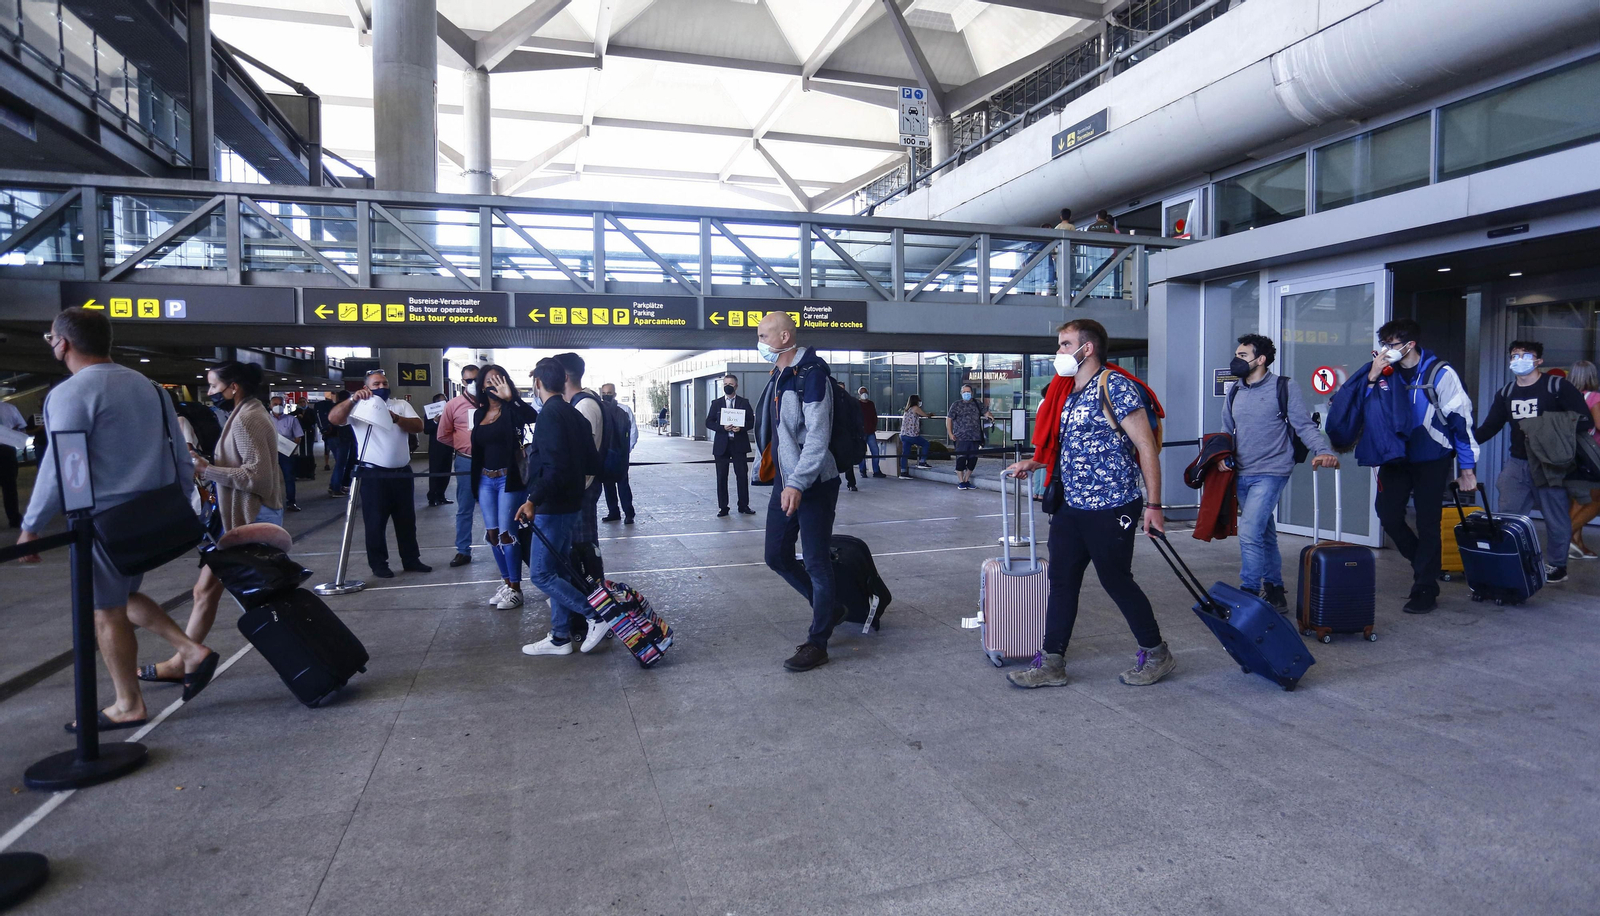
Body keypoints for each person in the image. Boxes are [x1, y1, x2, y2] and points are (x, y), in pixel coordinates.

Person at [16, 308, 219, 729]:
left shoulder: (70, 394)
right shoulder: (150, 388)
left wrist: (32, 525)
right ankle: (189, 650)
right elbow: (179, 454)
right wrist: (180, 501)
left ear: (63, 343)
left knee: (104, 611)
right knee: (119, 600)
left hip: (102, 521)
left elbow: (62, 465)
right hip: (151, 516)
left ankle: (129, 703)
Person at [1003, 319, 1175, 689]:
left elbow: (1146, 446)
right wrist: (1036, 462)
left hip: (1112, 505)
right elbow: (1076, 446)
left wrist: (1155, 506)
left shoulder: (1115, 386)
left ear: (1088, 348)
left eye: (1065, 344)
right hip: (1071, 506)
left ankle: (1157, 653)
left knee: (1116, 580)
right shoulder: (1069, 392)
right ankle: (1051, 663)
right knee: (1062, 582)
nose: (1059, 352)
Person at [141, 361, 284, 686]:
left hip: (249, 517)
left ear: (233, 387)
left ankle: (186, 659)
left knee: (248, 596)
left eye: (214, 386)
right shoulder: (249, 412)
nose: (210, 392)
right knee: (206, 590)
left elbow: (256, 477)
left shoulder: (248, 418)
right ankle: (183, 658)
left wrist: (206, 470)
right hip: (244, 515)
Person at [1356, 319, 1479, 614]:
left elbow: (1461, 422)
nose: (1386, 349)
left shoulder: (1440, 372)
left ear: (1409, 345)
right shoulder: (1382, 371)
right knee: (1387, 514)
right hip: (1394, 456)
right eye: (1383, 343)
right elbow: (1360, 407)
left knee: (1428, 523)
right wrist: (1372, 377)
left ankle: (1424, 587)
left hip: (1431, 458)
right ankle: (1425, 564)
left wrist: (1467, 468)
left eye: (1392, 344)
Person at [1221, 334, 1338, 609]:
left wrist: (1323, 451)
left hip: (1272, 471)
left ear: (1260, 360)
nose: (1236, 360)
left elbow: (1304, 425)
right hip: (1242, 472)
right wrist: (1222, 457)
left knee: (1249, 532)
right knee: (1264, 534)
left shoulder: (1283, 387)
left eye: (1242, 356)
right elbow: (1226, 430)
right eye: (1236, 355)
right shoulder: (1235, 391)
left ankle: (1249, 591)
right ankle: (1275, 590)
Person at [754, 311, 841, 672]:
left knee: (817, 561)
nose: (759, 342)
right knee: (776, 555)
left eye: (764, 335)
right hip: (786, 481)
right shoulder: (778, 375)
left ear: (786, 337)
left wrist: (797, 482)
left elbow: (817, 438)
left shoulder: (812, 375)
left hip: (814, 482)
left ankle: (818, 641)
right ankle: (829, 607)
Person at [1474, 340, 1593, 584]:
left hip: (1551, 464)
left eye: (1526, 355)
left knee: (1555, 517)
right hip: (1517, 462)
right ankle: (1508, 560)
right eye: (1514, 355)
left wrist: (1544, 428)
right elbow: (1490, 427)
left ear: (1539, 360)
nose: (1519, 360)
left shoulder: (1557, 386)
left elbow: (1584, 421)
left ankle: (1558, 565)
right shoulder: (1506, 392)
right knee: (1507, 516)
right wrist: (1463, 443)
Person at [518, 357, 610, 657]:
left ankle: (595, 615)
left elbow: (553, 467)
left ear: (538, 384)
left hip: (552, 507)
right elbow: (593, 462)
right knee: (558, 569)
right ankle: (560, 637)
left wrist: (532, 500)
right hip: (572, 504)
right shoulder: (575, 415)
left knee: (541, 574)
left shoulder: (549, 416)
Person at [330, 369, 430, 579]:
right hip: (373, 475)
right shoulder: (358, 407)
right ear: (366, 387)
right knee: (375, 522)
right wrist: (351, 400)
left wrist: (395, 418)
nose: (382, 387)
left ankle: (411, 559)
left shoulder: (400, 404)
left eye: (384, 383)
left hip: (402, 473)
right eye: (376, 384)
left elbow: (418, 425)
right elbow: (334, 418)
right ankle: (379, 564)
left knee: (406, 520)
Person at [470, 365, 538, 610]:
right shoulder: (479, 414)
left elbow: (533, 417)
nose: (493, 385)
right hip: (486, 479)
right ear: (481, 386)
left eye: (498, 380)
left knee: (507, 534)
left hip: (510, 479)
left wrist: (511, 399)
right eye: (488, 381)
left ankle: (516, 589)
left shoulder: (512, 410)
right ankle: (507, 583)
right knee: (491, 534)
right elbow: (477, 450)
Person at [556, 353, 606, 581]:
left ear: (564, 376)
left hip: (583, 486)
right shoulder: (577, 403)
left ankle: (593, 596)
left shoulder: (584, 405)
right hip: (580, 485)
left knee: (583, 544)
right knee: (577, 544)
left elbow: (583, 453)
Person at [435, 364, 480, 567]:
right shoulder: (453, 405)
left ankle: (503, 545)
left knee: (496, 508)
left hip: (492, 463)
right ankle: (463, 550)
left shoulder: (493, 402)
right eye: (469, 380)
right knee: (465, 507)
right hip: (466, 461)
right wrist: (463, 445)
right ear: (463, 382)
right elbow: (443, 434)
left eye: (477, 380)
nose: (473, 384)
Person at [707, 373, 756, 517]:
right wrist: (722, 428)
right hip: (722, 445)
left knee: (741, 475)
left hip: (739, 444)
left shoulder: (744, 402)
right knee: (721, 477)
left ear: (736, 386)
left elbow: (751, 422)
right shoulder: (716, 403)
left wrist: (742, 428)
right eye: (725, 384)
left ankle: (743, 505)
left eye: (731, 384)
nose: (728, 387)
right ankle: (723, 507)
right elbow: (709, 422)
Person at [1567, 360, 1600, 559]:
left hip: (1570, 454)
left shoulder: (1566, 397)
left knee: (1578, 502)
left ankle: (1577, 545)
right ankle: (1565, 537)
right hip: (1591, 456)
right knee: (1595, 501)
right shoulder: (1594, 397)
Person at [599, 383, 638, 524]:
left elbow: (633, 431)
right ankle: (613, 512)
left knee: (623, 485)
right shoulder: (599, 410)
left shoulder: (625, 410)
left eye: (609, 392)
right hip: (606, 454)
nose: (606, 395)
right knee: (608, 485)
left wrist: (626, 451)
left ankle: (629, 513)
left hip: (620, 454)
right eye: (604, 392)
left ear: (615, 393)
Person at [947, 384, 992, 491]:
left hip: (975, 437)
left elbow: (985, 412)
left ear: (972, 393)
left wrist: (990, 416)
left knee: (973, 459)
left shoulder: (977, 403)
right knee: (961, 459)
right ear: (961, 393)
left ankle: (966, 480)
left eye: (968, 392)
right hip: (960, 437)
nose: (966, 394)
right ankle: (961, 481)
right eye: (964, 392)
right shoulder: (956, 405)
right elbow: (949, 419)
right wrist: (950, 433)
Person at [270, 396, 303, 512]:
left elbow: (298, 436)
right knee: (269, 478)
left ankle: (291, 502)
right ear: (270, 405)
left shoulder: (291, 419)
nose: (277, 406)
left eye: (280, 404)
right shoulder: (265, 419)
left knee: (289, 477)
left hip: (286, 453)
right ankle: (270, 503)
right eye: (275, 404)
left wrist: (292, 449)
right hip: (269, 453)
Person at [424, 392, 453, 507]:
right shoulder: (429, 414)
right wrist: (435, 421)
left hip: (448, 447)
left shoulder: (450, 413)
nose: (445, 403)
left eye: (445, 400)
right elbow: (426, 430)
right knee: (435, 473)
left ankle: (441, 496)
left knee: (446, 473)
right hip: (436, 448)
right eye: (442, 401)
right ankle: (432, 497)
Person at [0, 396, 25, 528]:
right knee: (9, 487)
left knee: (10, 487)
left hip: (6, 450)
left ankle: (14, 517)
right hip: (7, 450)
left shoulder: (10, 408)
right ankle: (14, 518)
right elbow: (21, 427)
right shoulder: (10, 408)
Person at [326, 390, 356, 496]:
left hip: (331, 438)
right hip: (343, 439)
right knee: (341, 464)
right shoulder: (349, 408)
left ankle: (334, 485)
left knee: (339, 463)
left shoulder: (333, 407)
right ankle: (336, 488)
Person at [897, 395, 932, 478]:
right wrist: (929, 415)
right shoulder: (915, 408)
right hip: (912, 435)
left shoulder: (907, 409)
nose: (920, 401)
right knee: (925, 444)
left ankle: (903, 472)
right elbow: (924, 415)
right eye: (919, 400)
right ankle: (922, 461)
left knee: (905, 453)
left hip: (904, 434)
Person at [857, 387, 885, 479]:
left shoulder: (871, 404)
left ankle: (876, 470)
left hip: (870, 431)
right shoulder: (857, 404)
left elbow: (874, 416)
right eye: (862, 392)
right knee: (862, 452)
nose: (864, 394)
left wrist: (873, 426)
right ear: (859, 394)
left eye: (865, 392)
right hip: (861, 432)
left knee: (875, 451)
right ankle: (863, 470)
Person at [315, 392, 337, 471]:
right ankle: (332, 463)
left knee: (327, 448)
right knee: (333, 449)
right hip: (332, 432)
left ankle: (327, 463)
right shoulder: (333, 406)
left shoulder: (321, 408)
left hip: (328, 432)